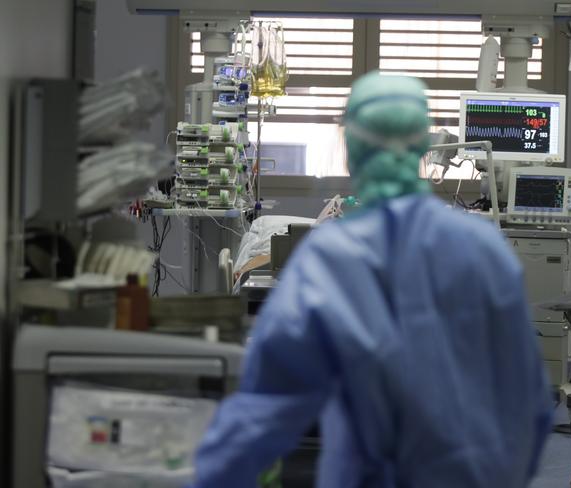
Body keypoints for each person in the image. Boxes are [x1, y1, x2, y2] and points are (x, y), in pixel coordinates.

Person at [192, 72, 552, 488]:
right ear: (423, 144)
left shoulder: (329, 260)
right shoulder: (485, 250)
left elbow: (265, 410)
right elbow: (528, 402)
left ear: (351, 151)